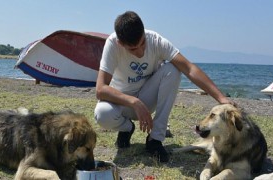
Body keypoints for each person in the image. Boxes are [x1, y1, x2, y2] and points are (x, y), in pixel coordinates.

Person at [94, 11, 233, 162]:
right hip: (123, 103)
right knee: (102, 113)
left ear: (144, 33)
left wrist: (221, 98)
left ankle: (155, 139)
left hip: (148, 98)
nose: (140, 52)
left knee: (173, 69)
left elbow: (189, 68)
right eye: (133, 49)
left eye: (142, 43)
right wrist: (133, 102)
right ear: (120, 43)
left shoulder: (155, 40)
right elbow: (100, 89)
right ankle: (127, 128)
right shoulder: (112, 44)